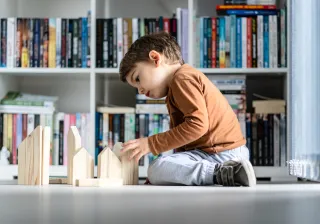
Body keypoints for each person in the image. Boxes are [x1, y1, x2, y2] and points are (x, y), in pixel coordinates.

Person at [119, 32, 256, 187]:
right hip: (216, 153)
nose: (140, 90)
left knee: (156, 168)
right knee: (159, 168)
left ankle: (225, 173)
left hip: (222, 154)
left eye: (137, 78)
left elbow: (197, 125)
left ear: (155, 59)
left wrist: (151, 144)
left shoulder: (182, 79)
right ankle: (224, 173)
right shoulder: (178, 83)